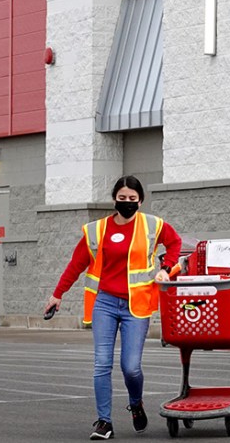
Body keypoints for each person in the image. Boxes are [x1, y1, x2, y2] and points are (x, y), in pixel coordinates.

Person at [46, 175, 183, 440]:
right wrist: (57, 294)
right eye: (122, 199)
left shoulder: (152, 225)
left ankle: (136, 402)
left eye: (132, 199)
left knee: (131, 367)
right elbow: (77, 264)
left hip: (137, 305)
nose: (127, 203)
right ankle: (103, 422)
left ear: (140, 200)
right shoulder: (97, 230)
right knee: (101, 364)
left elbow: (175, 243)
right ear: (114, 200)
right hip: (105, 303)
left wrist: (167, 269)